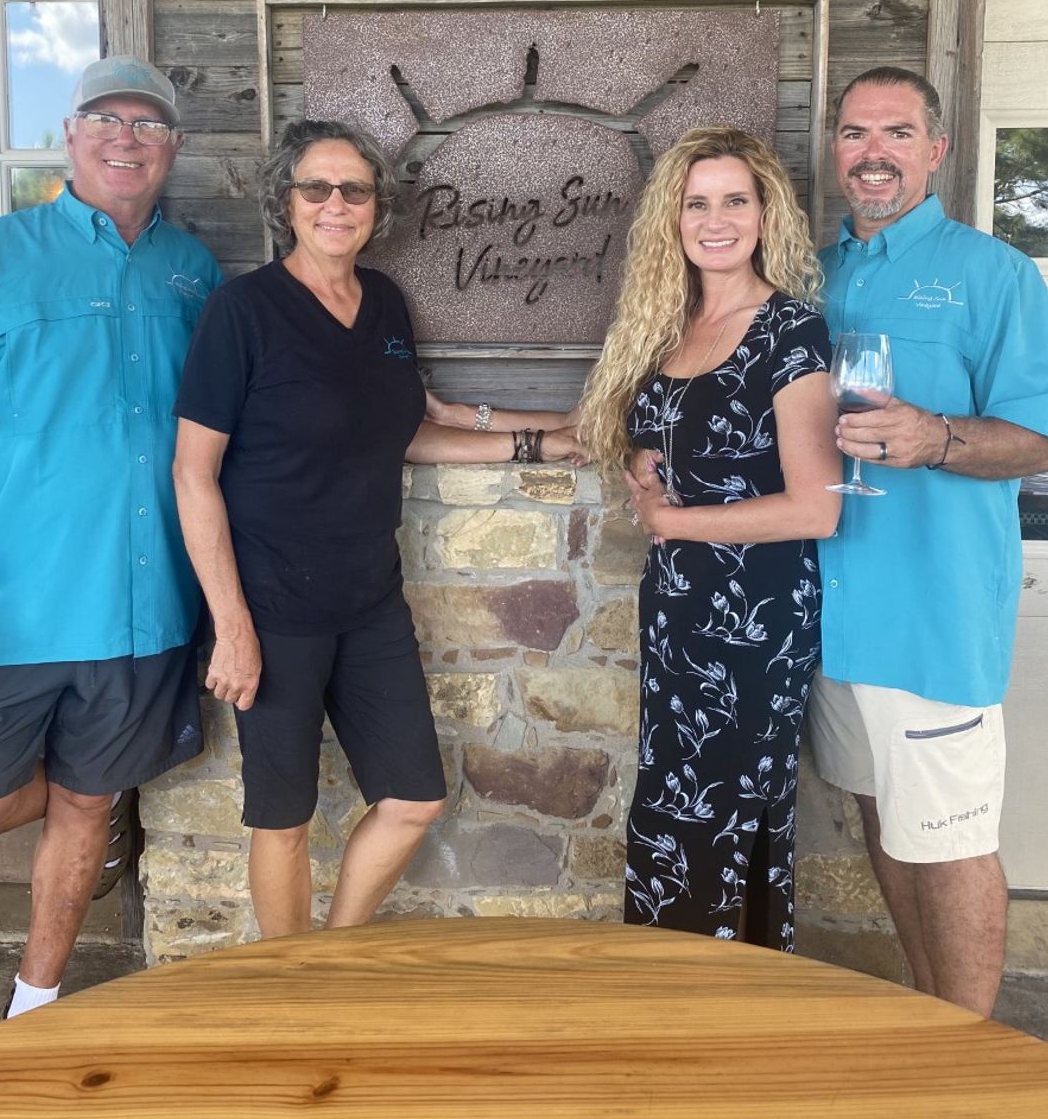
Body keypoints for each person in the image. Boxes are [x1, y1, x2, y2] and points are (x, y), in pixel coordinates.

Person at [172, 118, 580, 937]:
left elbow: (400, 432)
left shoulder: (385, 303)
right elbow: (193, 473)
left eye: (353, 189)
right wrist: (231, 627)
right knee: (281, 820)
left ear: (375, 206)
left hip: (370, 605)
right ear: (286, 202)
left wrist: (538, 441)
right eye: (315, 188)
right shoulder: (242, 312)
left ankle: (333, 952)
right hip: (274, 609)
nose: (335, 204)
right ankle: (292, 994)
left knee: (414, 798)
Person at [0, 56, 221, 1018]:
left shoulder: (194, 271)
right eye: (106, 118)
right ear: (72, 138)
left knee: (87, 805)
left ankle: (33, 1001)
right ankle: (102, 789)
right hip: (11, 604)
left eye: (149, 124)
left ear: (171, 149)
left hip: (147, 603)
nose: (127, 136)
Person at [806, 66, 1048, 1016]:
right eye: (856, 134)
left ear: (937, 150)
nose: (874, 154)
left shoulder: (993, 272)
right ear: (836, 151)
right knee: (885, 822)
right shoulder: (812, 274)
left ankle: (975, 1059)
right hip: (831, 610)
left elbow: (1036, 438)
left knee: (949, 841)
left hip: (934, 615)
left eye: (897, 134)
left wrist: (937, 438)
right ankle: (927, 1018)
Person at [579, 125, 840, 948]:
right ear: (673, 218)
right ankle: (665, 1001)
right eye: (698, 203)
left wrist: (670, 520)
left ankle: (732, 1017)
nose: (716, 218)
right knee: (672, 807)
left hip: (756, 628)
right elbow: (638, 439)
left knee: (728, 822)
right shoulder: (668, 325)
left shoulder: (789, 332)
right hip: (680, 617)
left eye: (735, 200)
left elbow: (816, 509)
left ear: (766, 213)